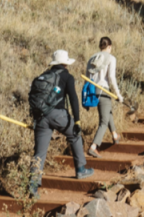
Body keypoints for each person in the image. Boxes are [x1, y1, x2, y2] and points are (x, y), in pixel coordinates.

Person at [30, 50, 95, 195]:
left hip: (40, 116)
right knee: (75, 135)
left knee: (39, 152)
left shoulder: (44, 75)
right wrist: (77, 120)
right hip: (58, 115)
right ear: (65, 63)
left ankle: (33, 185)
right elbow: (73, 99)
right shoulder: (67, 77)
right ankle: (80, 169)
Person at [86, 37, 124, 158]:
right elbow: (111, 78)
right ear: (109, 47)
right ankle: (94, 146)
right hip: (104, 90)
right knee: (103, 121)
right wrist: (118, 94)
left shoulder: (92, 58)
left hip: (93, 90)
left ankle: (114, 135)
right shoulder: (111, 58)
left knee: (107, 113)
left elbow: (87, 76)